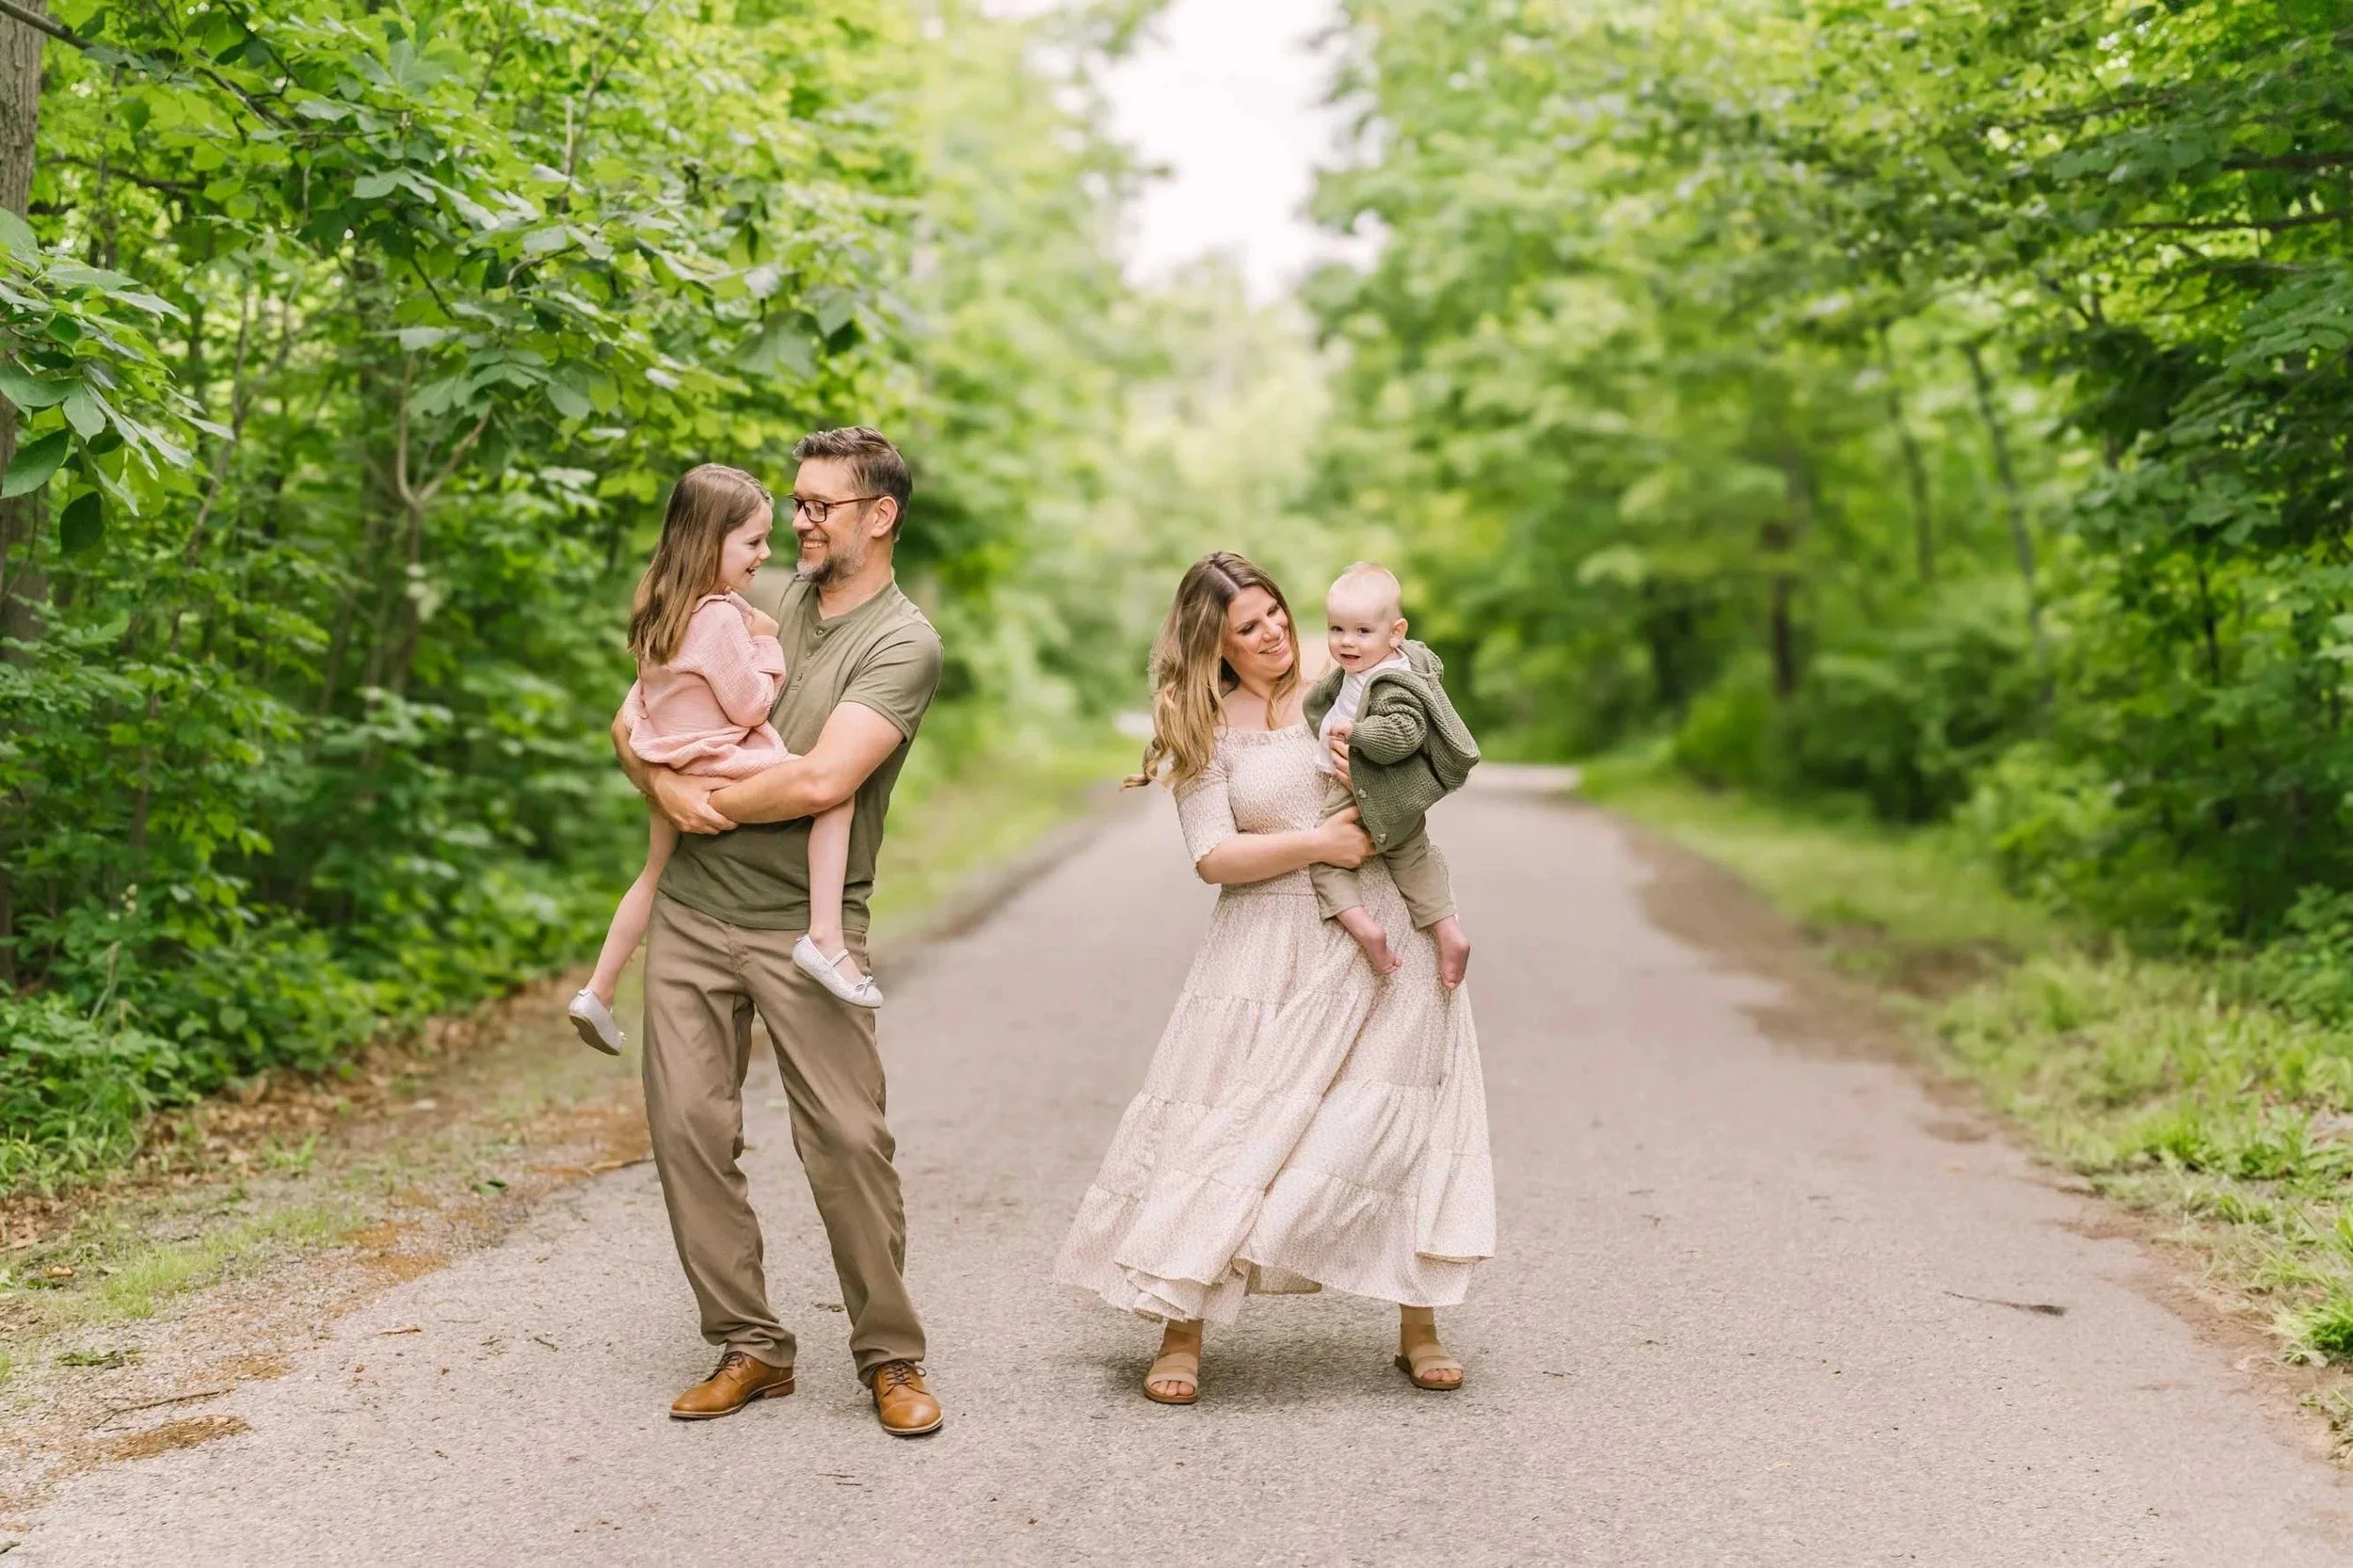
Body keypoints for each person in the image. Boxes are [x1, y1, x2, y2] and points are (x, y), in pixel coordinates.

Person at [1054, 551, 1496, 1404]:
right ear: (1213, 643)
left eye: (1275, 614)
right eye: (1247, 627)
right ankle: (1182, 1329)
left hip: (1382, 927)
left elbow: (1418, 716)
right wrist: (1316, 846)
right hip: (1262, 945)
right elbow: (1214, 856)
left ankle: (1420, 1322)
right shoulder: (1202, 725)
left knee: (1396, 1119)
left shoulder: (1345, 679)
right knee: (1224, 1127)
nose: (1274, 635)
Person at [610, 427, 946, 1436]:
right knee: (686, 1132)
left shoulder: (901, 642)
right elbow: (638, 718)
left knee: (846, 1139)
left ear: (878, 517)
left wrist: (699, 792)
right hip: (692, 913)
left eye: (819, 506)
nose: (797, 521)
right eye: (793, 504)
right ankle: (750, 1345)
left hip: (806, 928)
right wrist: (661, 779)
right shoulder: (744, 596)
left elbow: (821, 780)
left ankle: (891, 1356)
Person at [568, 465, 874, 1061]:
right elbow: (752, 701)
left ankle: (597, 990)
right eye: (753, 542)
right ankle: (824, 936)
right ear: (712, 541)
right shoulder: (716, 620)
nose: (765, 553)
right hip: (715, 762)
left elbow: (647, 689)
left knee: (653, 874)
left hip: (666, 758)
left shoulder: (655, 594)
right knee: (837, 791)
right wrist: (764, 639)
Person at [1305, 561, 1479, 985]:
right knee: (1412, 856)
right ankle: (1447, 931)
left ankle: (1366, 930)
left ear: (1395, 632)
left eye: (1362, 631)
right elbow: (1324, 697)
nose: (1347, 642)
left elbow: (1405, 732)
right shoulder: (1367, 668)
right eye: (1336, 629)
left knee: (1325, 859)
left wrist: (1360, 734)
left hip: (1360, 789)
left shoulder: (1390, 681)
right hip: (1393, 797)